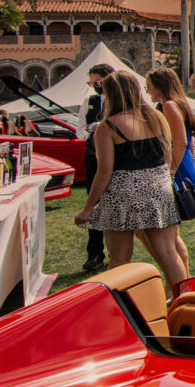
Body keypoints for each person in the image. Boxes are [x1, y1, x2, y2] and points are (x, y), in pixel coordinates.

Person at [74, 72, 186, 291]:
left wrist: (88, 208)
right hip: (158, 189)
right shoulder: (156, 117)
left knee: (119, 259)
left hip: (122, 194)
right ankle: (185, 299)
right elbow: (167, 156)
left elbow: (104, 172)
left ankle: (119, 309)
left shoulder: (107, 127)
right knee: (169, 253)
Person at [146, 67, 195, 282]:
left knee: (169, 236)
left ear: (159, 85)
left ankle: (177, 281)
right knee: (173, 235)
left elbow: (181, 142)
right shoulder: (179, 104)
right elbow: (189, 142)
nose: (147, 90)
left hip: (177, 169)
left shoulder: (168, 105)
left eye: (149, 85)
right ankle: (181, 281)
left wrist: (170, 172)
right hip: (184, 166)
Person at [79, 62, 115, 273]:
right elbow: (79, 131)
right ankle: (95, 253)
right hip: (93, 154)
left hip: (115, 156)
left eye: (97, 82)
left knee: (113, 201)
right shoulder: (89, 102)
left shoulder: (120, 101)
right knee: (93, 201)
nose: (94, 86)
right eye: (91, 82)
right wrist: (92, 129)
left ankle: (116, 253)